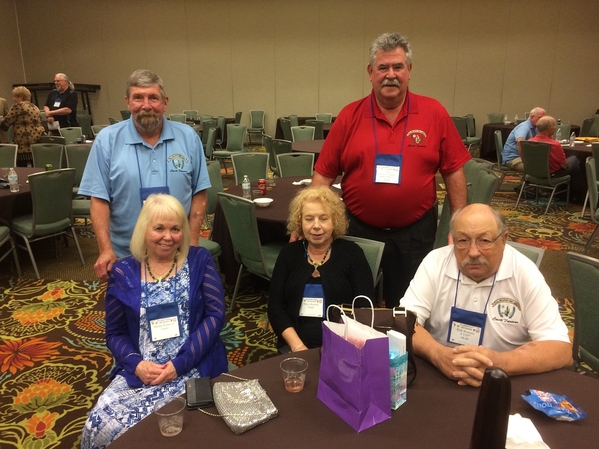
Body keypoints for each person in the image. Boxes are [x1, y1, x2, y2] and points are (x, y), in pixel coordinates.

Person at [311, 32, 470, 308]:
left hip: (415, 232)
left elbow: (454, 171)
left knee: (410, 303)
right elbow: (324, 174)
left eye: (398, 66)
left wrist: (461, 226)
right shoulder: (349, 115)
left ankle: (403, 348)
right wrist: (309, 217)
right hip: (358, 228)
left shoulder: (434, 112)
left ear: (409, 70)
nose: (391, 74)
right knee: (356, 298)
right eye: (383, 67)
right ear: (370, 72)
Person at [81, 194, 227, 448]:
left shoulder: (199, 260)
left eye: (175, 229)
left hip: (191, 364)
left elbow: (215, 316)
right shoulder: (124, 272)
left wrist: (178, 364)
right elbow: (114, 333)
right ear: (144, 230)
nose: (167, 237)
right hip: (142, 369)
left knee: (161, 432)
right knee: (100, 423)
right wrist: (136, 365)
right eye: (159, 228)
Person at [401, 204, 572, 387]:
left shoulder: (524, 272)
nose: (473, 252)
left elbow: (560, 348)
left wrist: (498, 362)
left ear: (503, 240)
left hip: (503, 381)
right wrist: (438, 355)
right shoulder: (435, 262)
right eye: (463, 241)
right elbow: (402, 321)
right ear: (452, 239)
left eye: (484, 240)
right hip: (441, 373)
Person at [78, 69, 210, 281]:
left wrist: (192, 242)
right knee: (130, 312)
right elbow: (99, 199)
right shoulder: (107, 140)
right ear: (127, 102)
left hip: (178, 253)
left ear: (165, 103)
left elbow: (199, 193)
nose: (146, 105)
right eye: (138, 97)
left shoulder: (188, 138)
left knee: (183, 311)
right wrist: (105, 249)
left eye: (153, 98)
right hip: (126, 255)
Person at [268, 186, 375, 352]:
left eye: (323, 218)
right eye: (309, 219)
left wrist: (339, 348)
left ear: (335, 220)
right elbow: (275, 308)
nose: (316, 226)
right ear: (299, 221)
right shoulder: (288, 254)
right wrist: (298, 347)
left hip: (344, 346)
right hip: (294, 345)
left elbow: (364, 309)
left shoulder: (352, 254)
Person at [529, 115, 586, 203]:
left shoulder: (529, 142)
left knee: (574, 164)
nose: (555, 128)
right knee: (575, 159)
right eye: (554, 126)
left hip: (533, 174)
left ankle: (572, 193)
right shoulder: (554, 145)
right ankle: (581, 194)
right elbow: (564, 165)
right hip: (552, 175)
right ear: (548, 128)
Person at [0, 86, 45, 167]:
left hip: (23, 142)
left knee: (21, 166)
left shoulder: (18, 106)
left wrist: (2, 121)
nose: (13, 99)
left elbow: (7, 121)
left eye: (15, 96)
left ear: (20, 97)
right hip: (36, 139)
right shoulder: (35, 107)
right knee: (35, 164)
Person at [501, 107, 546, 172]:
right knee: (537, 170)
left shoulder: (535, 128)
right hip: (513, 158)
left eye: (543, 118)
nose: (542, 120)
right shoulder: (524, 126)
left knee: (548, 166)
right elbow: (520, 142)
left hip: (524, 157)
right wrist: (524, 160)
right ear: (531, 117)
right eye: (540, 118)